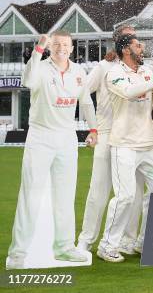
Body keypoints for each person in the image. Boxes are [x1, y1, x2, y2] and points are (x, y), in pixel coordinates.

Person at [7, 31, 98, 270]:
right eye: (56, 44)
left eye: (65, 44)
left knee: (65, 195)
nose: (61, 48)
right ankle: (17, 253)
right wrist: (39, 48)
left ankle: (64, 247)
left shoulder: (79, 71)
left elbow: (86, 102)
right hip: (40, 136)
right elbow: (27, 80)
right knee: (31, 194)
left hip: (66, 138)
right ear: (50, 47)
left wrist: (94, 129)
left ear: (71, 47)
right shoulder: (40, 67)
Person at [97, 34, 153, 263]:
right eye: (138, 45)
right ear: (125, 50)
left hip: (147, 146)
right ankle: (107, 245)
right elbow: (129, 92)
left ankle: (144, 241)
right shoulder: (114, 74)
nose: (142, 49)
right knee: (125, 196)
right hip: (124, 146)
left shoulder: (146, 72)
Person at [78, 25, 145, 256]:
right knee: (99, 190)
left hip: (133, 138)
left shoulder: (139, 66)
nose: (134, 39)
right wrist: (93, 127)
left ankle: (126, 240)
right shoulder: (104, 66)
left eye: (135, 36)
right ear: (118, 41)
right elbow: (83, 92)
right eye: (129, 36)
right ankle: (85, 242)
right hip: (108, 134)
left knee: (133, 193)